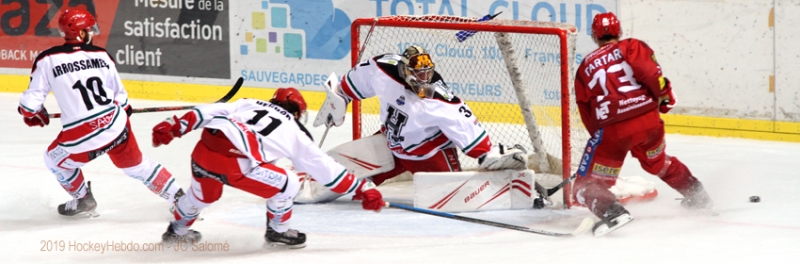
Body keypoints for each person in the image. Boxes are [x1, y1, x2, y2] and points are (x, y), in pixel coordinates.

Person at [151, 88, 385, 248]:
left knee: (202, 195)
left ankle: (177, 232)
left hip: (205, 150)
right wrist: (361, 188)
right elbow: (325, 169)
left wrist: (177, 125)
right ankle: (278, 231)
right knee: (290, 183)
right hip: (236, 163)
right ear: (296, 112)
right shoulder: (295, 130)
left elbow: (210, 111)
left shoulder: (249, 103)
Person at [302, 45, 528, 205]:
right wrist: (340, 98)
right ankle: (295, 184)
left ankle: (517, 191)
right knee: (331, 180)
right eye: (418, 73)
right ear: (405, 69)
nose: (423, 79)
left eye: (427, 73)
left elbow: (467, 127)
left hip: (429, 157)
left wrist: (487, 155)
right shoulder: (383, 69)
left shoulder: (439, 100)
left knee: (458, 199)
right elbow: (353, 83)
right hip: (389, 146)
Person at [18, 9, 184, 217]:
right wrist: (122, 110)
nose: (92, 33)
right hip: (117, 126)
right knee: (138, 166)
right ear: (80, 33)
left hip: (82, 137)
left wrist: (33, 113)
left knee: (53, 159)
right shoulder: (102, 55)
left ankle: (83, 199)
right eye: (89, 29)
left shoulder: (47, 59)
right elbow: (121, 99)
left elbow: (29, 106)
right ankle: (180, 199)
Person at [573, 12, 713, 236]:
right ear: (618, 32)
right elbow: (650, 73)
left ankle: (612, 212)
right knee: (660, 163)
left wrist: (605, 145)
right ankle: (699, 198)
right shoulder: (631, 46)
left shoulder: (585, 67)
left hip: (612, 129)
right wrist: (664, 95)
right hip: (648, 122)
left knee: (585, 186)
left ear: (594, 36)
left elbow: (586, 110)